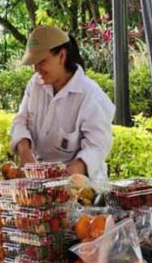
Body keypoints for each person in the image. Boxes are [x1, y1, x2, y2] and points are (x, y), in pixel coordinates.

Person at [10, 25, 115, 181]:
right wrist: (26, 156)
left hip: (79, 184)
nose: (36, 69)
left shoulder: (91, 95)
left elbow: (97, 147)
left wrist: (63, 180)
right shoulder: (35, 84)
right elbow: (20, 121)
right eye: (33, 63)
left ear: (61, 56)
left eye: (41, 61)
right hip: (38, 179)